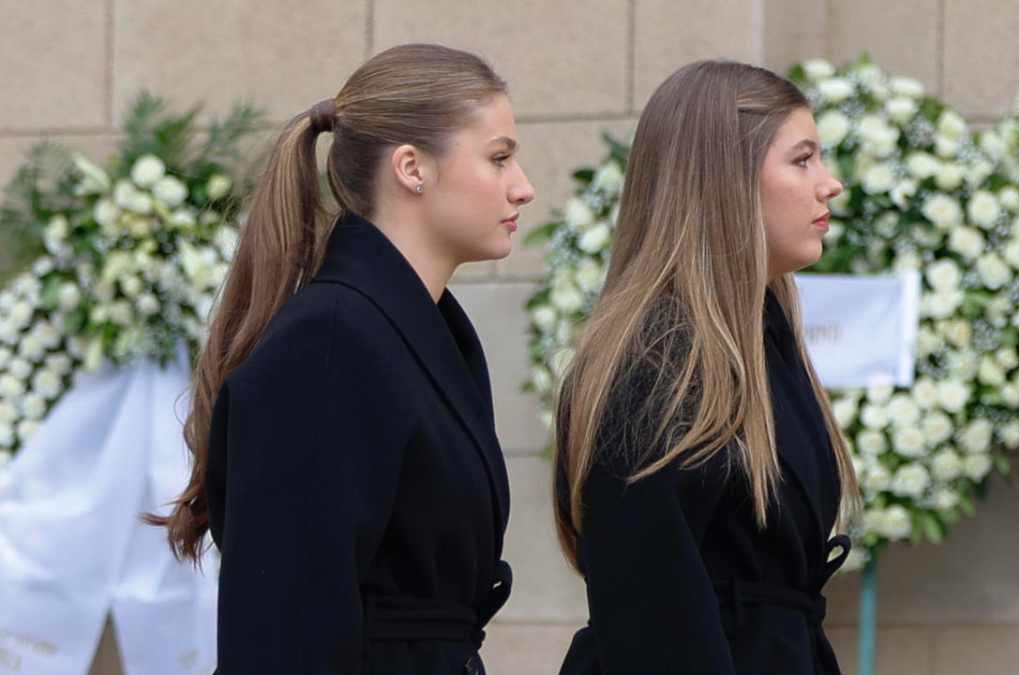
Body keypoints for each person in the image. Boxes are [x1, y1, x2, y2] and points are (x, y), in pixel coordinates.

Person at [154, 43, 534, 675]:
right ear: (411, 168)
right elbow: (282, 627)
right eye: (499, 159)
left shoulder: (422, 332)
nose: (523, 188)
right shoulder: (330, 342)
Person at [553, 59, 859, 675]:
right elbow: (646, 609)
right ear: (727, 178)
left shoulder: (762, 338)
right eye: (802, 160)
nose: (830, 184)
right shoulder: (659, 360)